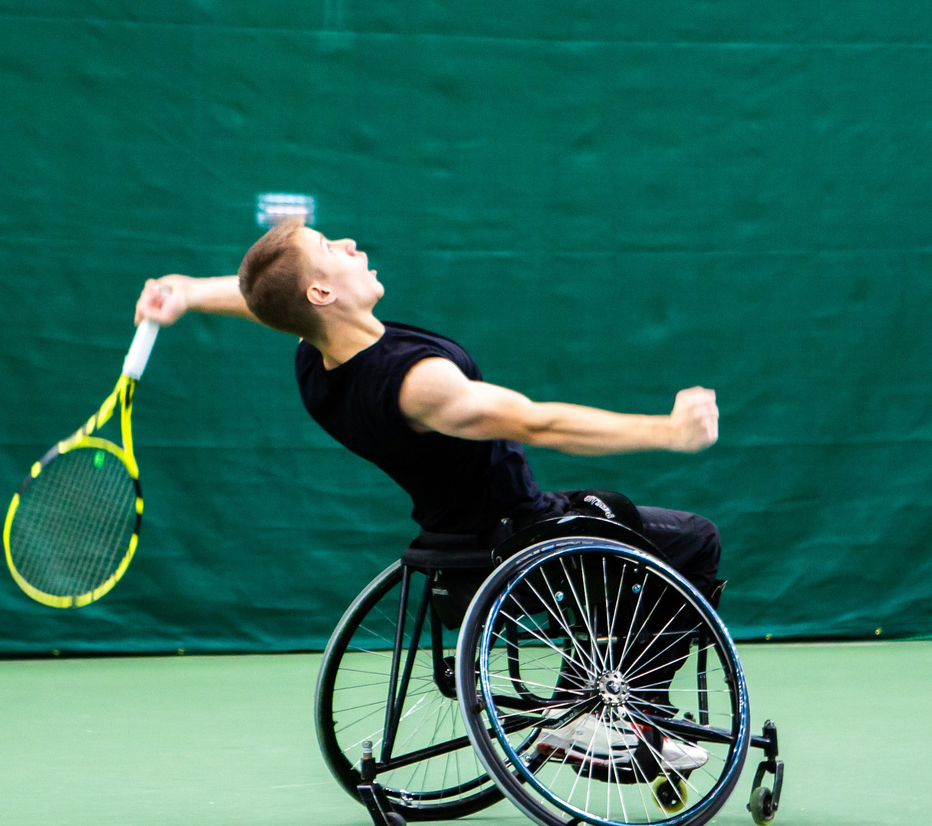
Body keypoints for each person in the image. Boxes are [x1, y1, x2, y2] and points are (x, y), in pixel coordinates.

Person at [135, 219, 723, 773]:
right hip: (517, 536)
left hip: (450, 539)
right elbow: (539, 423)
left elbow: (271, 301)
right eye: (329, 249)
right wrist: (668, 431)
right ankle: (600, 714)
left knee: (620, 522)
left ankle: (586, 705)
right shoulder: (418, 384)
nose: (349, 244)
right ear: (320, 293)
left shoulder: (317, 361)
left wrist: (188, 293)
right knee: (692, 539)